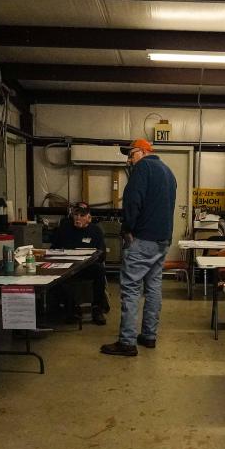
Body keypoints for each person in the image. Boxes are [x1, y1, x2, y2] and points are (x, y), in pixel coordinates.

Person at [101, 138, 176, 356]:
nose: (129, 159)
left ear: (143, 152)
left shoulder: (142, 168)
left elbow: (132, 202)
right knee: (153, 288)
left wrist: (127, 228)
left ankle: (127, 342)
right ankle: (149, 336)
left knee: (131, 289)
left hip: (142, 240)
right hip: (162, 240)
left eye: (131, 153)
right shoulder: (168, 172)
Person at [52, 202, 109, 325]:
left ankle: (97, 309)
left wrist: (92, 258)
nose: (78, 218)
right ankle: (70, 309)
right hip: (67, 267)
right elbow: (53, 249)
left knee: (99, 271)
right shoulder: (64, 229)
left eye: (82, 215)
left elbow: (102, 255)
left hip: (87, 267)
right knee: (57, 277)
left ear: (89, 217)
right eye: (76, 214)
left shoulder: (95, 231)